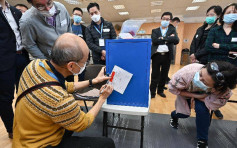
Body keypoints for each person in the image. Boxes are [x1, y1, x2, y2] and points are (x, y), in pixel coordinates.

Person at [13, 33, 115, 148]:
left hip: (22, 137)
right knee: (107, 144)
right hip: (39, 144)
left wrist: (93, 81)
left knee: (72, 118)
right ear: (71, 66)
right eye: (85, 62)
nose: (85, 65)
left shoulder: (34, 65)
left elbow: (65, 85)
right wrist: (102, 98)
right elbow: (83, 123)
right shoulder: (60, 100)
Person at [168, 61, 237, 148]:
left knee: (202, 111)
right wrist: (197, 95)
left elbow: (214, 103)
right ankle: (174, 115)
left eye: (205, 81)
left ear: (218, 87)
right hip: (186, 92)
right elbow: (174, 89)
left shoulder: (223, 90)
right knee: (182, 114)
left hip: (205, 97)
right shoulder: (187, 73)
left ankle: (202, 139)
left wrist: (202, 97)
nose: (199, 79)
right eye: (200, 74)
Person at [189, 5, 223, 119]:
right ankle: (194, 103)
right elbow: (193, 43)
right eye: (207, 15)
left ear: (218, 16)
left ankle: (214, 107)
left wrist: (197, 55)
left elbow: (209, 47)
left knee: (210, 84)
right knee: (196, 83)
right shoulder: (200, 29)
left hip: (208, 60)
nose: (209, 17)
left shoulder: (218, 30)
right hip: (196, 60)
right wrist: (192, 55)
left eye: (212, 15)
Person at [205, 3, 237, 119]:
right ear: (223, 16)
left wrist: (219, 46)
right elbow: (209, 47)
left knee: (224, 89)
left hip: (231, 67)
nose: (232, 15)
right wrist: (229, 50)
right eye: (229, 12)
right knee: (210, 86)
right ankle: (206, 106)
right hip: (214, 65)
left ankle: (216, 107)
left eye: (235, 13)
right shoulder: (215, 30)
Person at [0, 0, 26, 139]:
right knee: (6, 97)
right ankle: (11, 128)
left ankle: (24, 123)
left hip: (22, 57)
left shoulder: (16, 11)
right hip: (4, 61)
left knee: (25, 94)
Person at [150, 12, 179, 98]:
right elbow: (155, 41)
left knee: (164, 75)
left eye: (167, 19)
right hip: (156, 55)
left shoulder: (172, 30)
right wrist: (169, 38)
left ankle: (160, 90)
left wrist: (162, 38)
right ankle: (152, 92)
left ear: (170, 21)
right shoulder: (155, 31)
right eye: (164, 19)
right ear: (161, 19)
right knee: (155, 75)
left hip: (167, 56)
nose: (165, 21)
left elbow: (176, 40)